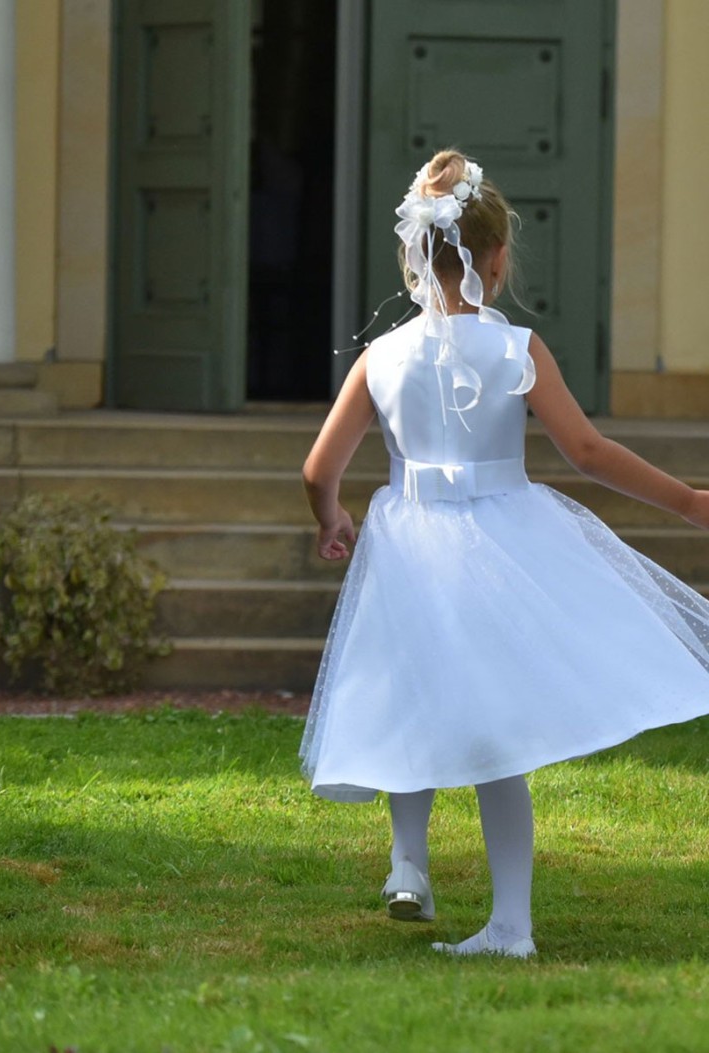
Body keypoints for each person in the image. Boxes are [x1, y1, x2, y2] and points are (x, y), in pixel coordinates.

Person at [299, 149, 709, 959]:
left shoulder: (380, 357)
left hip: (409, 540)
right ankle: (510, 924)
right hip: (506, 540)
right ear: (496, 256)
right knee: (496, 737)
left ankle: (408, 861)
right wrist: (692, 502)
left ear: (413, 256)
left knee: (409, 695)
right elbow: (588, 451)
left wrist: (333, 519)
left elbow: (318, 469)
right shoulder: (518, 345)